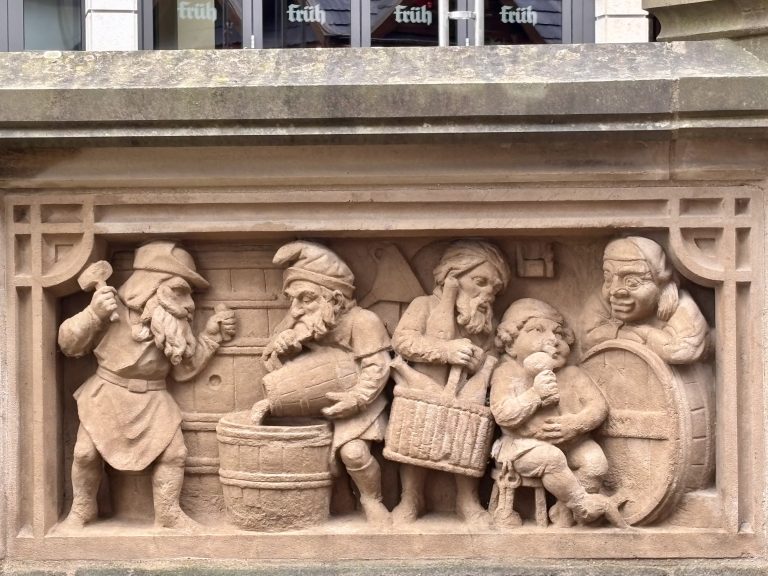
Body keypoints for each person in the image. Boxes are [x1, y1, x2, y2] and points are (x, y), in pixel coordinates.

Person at [58, 241, 236, 529]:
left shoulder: (172, 322)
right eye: (180, 291)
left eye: (189, 294)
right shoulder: (109, 307)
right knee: (85, 454)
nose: (189, 303)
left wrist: (210, 337)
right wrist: (93, 314)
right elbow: (69, 345)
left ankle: (168, 514)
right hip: (106, 394)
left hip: (154, 398)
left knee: (175, 454)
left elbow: (185, 369)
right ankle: (82, 508)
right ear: (150, 285)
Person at [251, 241, 392, 523]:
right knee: (295, 448)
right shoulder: (299, 322)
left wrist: (357, 398)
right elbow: (273, 373)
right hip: (308, 401)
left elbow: (377, 367)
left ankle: (371, 500)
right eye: (292, 299)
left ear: (335, 299)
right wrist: (284, 351)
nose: (296, 309)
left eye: (306, 298)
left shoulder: (363, 321)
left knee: (354, 453)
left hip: (358, 401)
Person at [390, 240, 511, 525]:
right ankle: (411, 497)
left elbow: (494, 355)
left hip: (466, 401)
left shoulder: (484, 322)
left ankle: (467, 500)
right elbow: (403, 341)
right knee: (414, 443)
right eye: (479, 282)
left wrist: (480, 362)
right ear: (451, 276)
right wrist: (445, 351)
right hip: (422, 394)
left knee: (468, 444)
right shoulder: (424, 305)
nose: (486, 294)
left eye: (494, 289)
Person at [489, 298, 622, 527]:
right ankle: (582, 506)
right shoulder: (507, 372)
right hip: (522, 447)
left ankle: (564, 511)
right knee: (551, 458)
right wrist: (535, 395)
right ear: (510, 345)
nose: (553, 339)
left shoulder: (572, 374)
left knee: (595, 462)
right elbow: (503, 414)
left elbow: (598, 407)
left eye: (558, 333)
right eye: (537, 330)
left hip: (571, 443)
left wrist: (576, 424)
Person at [583, 236, 710, 364]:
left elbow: (680, 351)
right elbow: (588, 337)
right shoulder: (604, 299)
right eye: (608, 279)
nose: (614, 290)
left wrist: (644, 332)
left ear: (661, 284)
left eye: (632, 282)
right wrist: (629, 335)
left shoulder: (680, 305)